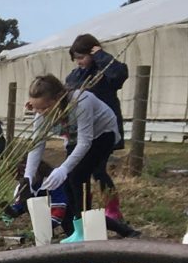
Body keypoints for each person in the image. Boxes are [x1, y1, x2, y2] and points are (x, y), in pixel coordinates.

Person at [21, 72, 119, 240]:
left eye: (44, 108)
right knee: (67, 183)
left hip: (103, 133)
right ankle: (78, 229)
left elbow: (85, 142)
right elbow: (37, 144)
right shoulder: (41, 114)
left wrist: (64, 168)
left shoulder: (81, 101)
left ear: (59, 98)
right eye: (36, 108)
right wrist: (28, 177)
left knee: (77, 176)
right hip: (76, 138)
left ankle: (86, 230)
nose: (40, 113)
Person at [65, 33, 133, 230]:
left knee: (98, 170)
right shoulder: (74, 76)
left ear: (93, 53)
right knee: (79, 173)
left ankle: (112, 208)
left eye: (82, 57)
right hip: (81, 132)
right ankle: (84, 211)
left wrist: (101, 56)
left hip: (104, 131)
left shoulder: (105, 72)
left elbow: (119, 75)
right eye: (75, 58)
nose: (79, 62)